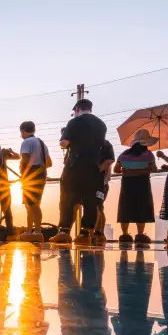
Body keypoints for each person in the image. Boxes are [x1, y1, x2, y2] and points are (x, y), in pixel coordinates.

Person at [50, 99, 106, 245]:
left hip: (75, 165)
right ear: (90, 109)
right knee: (90, 201)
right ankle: (85, 234)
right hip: (94, 166)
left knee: (68, 198)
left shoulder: (74, 122)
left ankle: (64, 232)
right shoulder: (101, 125)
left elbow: (64, 143)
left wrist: (69, 141)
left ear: (77, 109)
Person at [114, 129, 158, 244]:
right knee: (141, 206)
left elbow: (116, 169)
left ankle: (124, 235)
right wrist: (144, 169)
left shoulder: (124, 154)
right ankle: (139, 235)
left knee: (125, 206)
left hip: (127, 183)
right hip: (142, 183)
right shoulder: (148, 154)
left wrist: (128, 170)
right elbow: (154, 169)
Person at [111, 249, 154, 335]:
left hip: (141, 300)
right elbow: (113, 320)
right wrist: (121, 317)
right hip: (124, 300)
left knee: (140, 272)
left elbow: (151, 321)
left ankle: (140, 250)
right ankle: (124, 249)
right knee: (123, 272)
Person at [17, 121, 51, 242]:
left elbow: (25, 160)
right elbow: (49, 163)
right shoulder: (41, 143)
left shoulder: (26, 142)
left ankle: (37, 232)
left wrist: (23, 173)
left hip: (30, 175)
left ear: (22, 131)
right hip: (41, 175)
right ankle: (29, 230)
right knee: (30, 204)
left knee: (32, 205)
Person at [92, 137, 115, 244]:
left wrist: (97, 171)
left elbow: (108, 162)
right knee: (96, 207)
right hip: (94, 183)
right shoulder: (92, 144)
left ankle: (99, 232)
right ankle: (96, 232)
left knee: (98, 207)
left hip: (102, 183)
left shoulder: (105, 144)